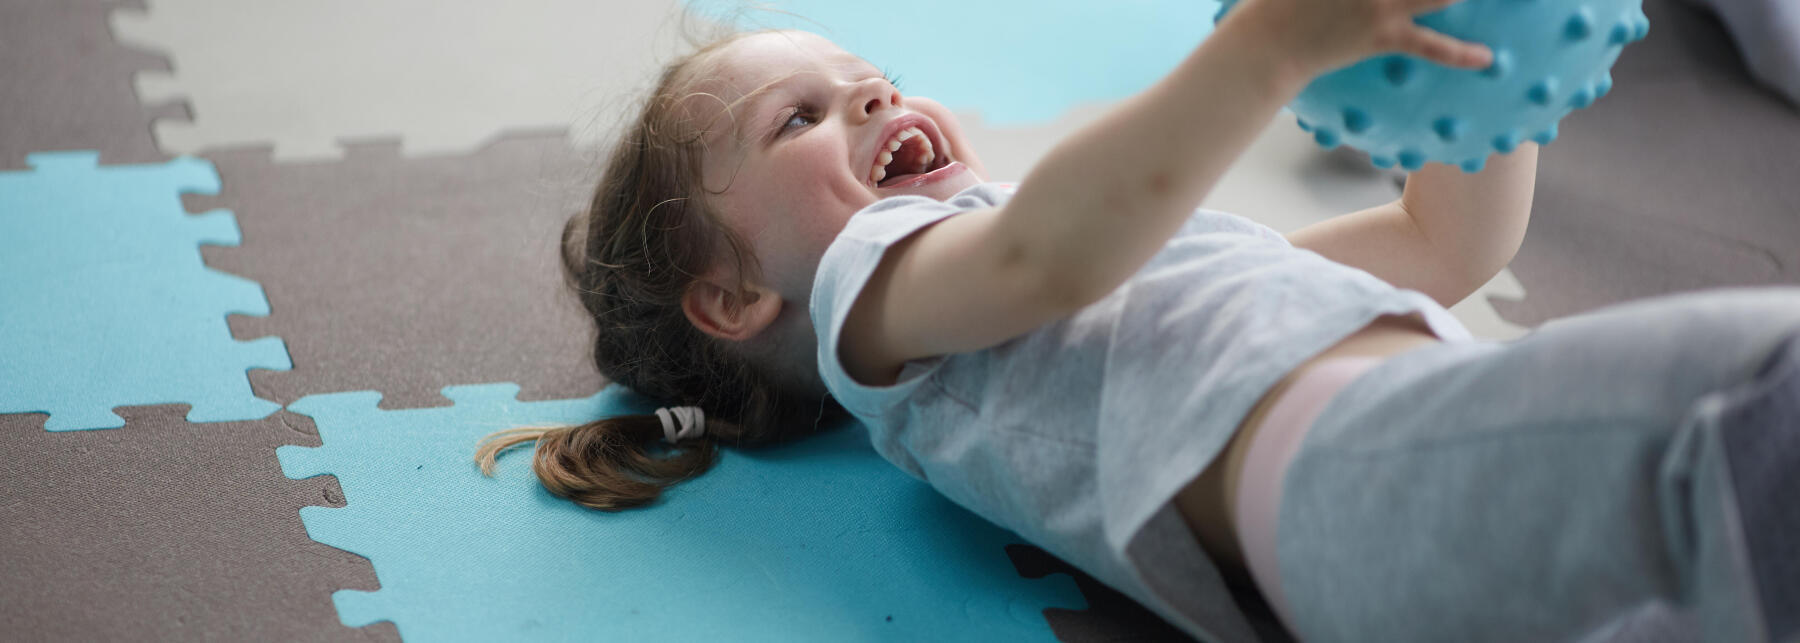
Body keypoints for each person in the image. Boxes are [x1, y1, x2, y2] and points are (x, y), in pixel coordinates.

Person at [476, 1, 1800, 640]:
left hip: (1393, 508)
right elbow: (1052, 243)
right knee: (1748, 410)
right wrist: (1266, 52)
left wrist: (1485, 77)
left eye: (872, 79)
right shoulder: (886, 313)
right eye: (802, 119)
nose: (874, 103)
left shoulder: (1117, 298)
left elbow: (1447, 243)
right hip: (1367, 481)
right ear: (737, 297)